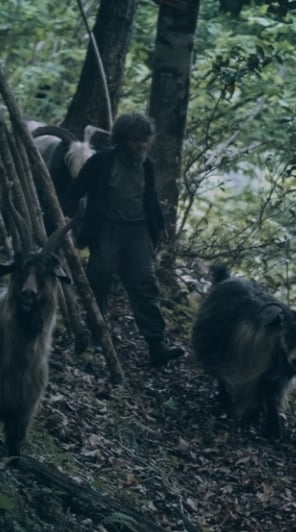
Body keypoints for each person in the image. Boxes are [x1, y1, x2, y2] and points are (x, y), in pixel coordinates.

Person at [63, 112, 184, 367]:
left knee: (145, 284)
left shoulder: (147, 165)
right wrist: (67, 214)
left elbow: (149, 199)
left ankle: (156, 344)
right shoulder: (102, 162)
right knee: (99, 278)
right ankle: (96, 334)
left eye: (145, 140)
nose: (141, 145)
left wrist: (158, 226)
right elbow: (77, 189)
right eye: (136, 140)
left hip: (138, 232)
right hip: (107, 229)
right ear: (122, 139)